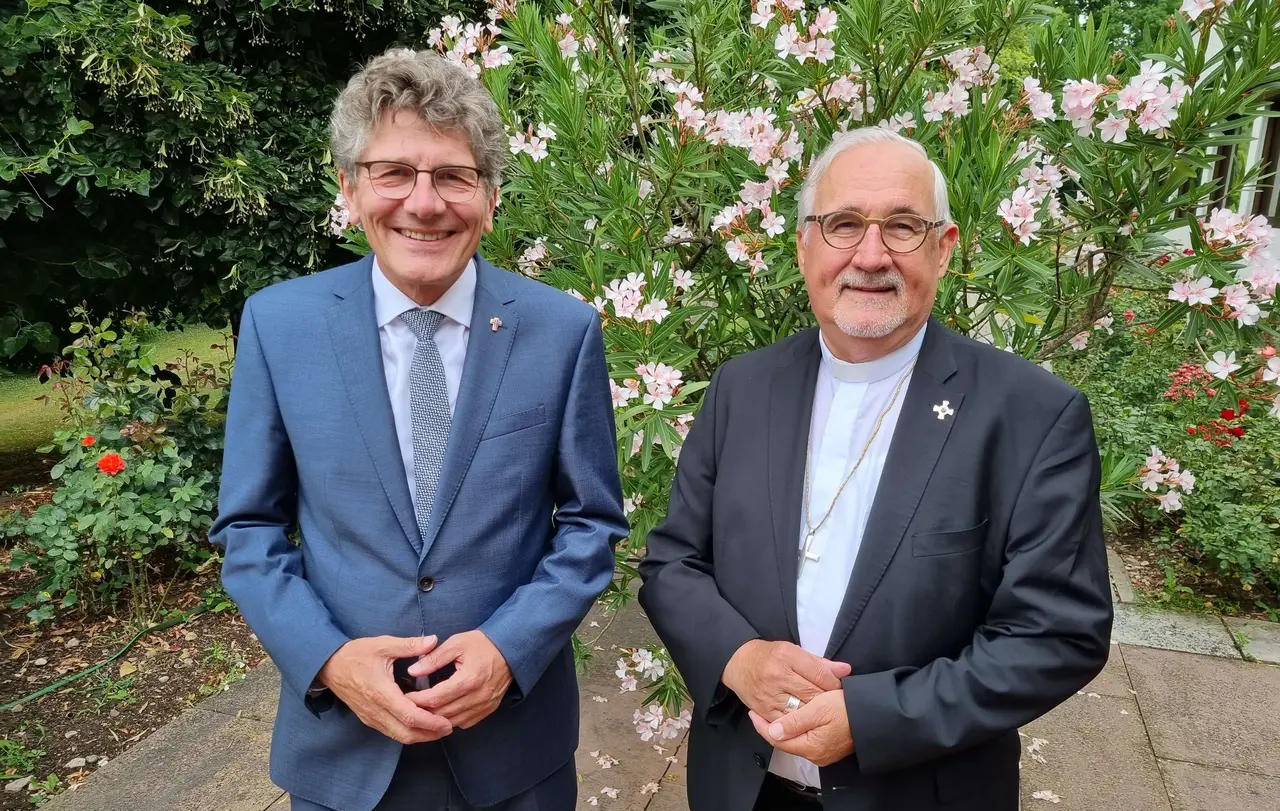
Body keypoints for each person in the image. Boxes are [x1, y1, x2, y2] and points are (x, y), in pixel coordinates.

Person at [637, 127, 1113, 811]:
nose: (870, 254)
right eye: (843, 224)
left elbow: (1058, 632)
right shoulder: (742, 388)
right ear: (804, 244)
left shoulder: (1033, 416)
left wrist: (874, 715)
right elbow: (673, 561)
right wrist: (739, 658)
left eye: (902, 226)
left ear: (943, 248)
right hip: (740, 786)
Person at [210, 48, 627, 811]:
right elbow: (248, 527)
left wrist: (508, 649)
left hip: (513, 753)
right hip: (343, 750)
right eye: (394, 172)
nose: (424, 202)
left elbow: (591, 523)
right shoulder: (280, 325)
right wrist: (328, 660)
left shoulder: (563, 332)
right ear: (350, 188)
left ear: (490, 197)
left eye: (453, 176)